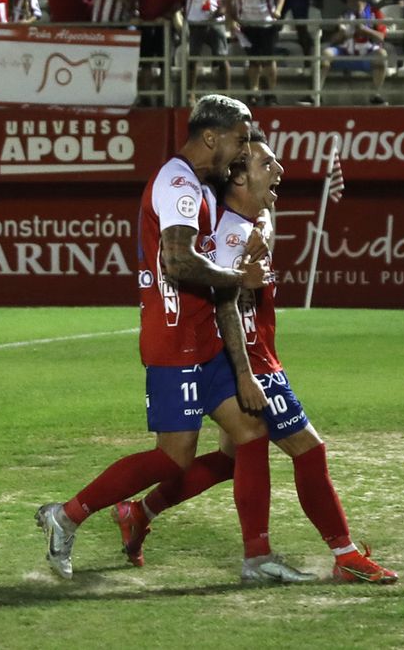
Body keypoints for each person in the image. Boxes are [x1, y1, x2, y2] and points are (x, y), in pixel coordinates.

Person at [36, 94, 307, 584]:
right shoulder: (179, 185)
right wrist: (235, 277)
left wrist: (259, 230)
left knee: (250, 433)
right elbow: (178, 261)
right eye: (240, 139)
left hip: (203, 338)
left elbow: (256, 202)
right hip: (175, 339)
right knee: (172, 458)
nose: (245, 149)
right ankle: (68, 515)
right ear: (211, 137)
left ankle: (256, 557)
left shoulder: (202, 184)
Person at [115, 129, 399, 585]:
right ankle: (341, 555)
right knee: (308, 448)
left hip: (258, 352)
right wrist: (245, 373)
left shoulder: (250, 221)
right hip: (246, 359)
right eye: (267, 166)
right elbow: (224, 304)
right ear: (239, 181)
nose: (279, 171)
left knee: (233, 459)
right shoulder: (229, 236)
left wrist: (264, 222)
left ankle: (139, 511)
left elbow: (266, 214)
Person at [224, 0, 286, 106]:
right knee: (253, 61)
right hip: (247, 24)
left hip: (267, 23)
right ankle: (253, 92)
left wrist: (278, 10)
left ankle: (270, 93)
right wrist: (230, 18)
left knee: (268, 60)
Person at [321, 0, 389, 104]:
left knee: (382, 55)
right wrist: (342, 32)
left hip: (367, 54)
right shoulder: (344, 15)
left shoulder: (375, 13)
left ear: (360, 1)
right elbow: (333, 41)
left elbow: (381, 37)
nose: (348, 1)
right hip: (345, 52)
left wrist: (365, 30)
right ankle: (316, 94)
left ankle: (375, 95)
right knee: (325, 54)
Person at [186, 0, 232, 91]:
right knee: (192, 60)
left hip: (215, 20)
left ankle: (225, 95)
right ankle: (190, 95)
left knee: (222, 59)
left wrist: (224, 8)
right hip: (196, 20)